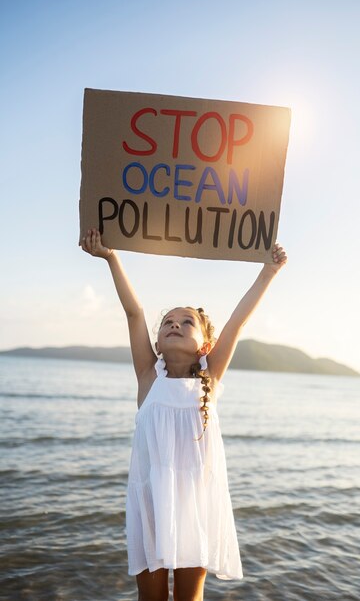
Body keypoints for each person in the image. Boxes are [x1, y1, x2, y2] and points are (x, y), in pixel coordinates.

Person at [81, 228, 287, 601]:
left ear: (205, 345)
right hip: (151, 504)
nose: (174, 323)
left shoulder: (210, 378)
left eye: (186, 321)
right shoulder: (149, 377)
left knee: (189, 598)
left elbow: (237, 323)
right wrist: (112, 257)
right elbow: (134, 312)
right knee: (152, 598)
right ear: (157, 343)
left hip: (195, 504)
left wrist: (268, 271)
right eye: (168, 322)